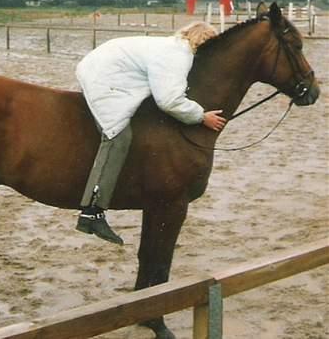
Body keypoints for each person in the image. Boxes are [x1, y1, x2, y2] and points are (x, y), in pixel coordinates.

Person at [75, 21, 226, 245]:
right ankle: (91, 212)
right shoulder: (178, 55)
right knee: (117, 136)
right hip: (104, 76)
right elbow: (169, 100)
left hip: (103, 66)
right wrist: (201, 116)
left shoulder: (171, 46)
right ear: (202, 44)